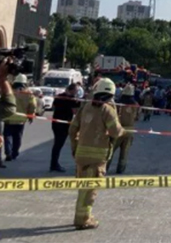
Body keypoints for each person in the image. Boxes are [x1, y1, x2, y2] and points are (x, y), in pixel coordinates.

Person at [69, 78, 124, 230]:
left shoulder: (85, 107)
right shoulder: (108, 109)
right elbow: (115, 132)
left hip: (81, 155)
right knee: (90, 189)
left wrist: (74, 148)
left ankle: (81, 216)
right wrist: (122, 129)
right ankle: (83, 219)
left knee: (82, 187)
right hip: (97, 157)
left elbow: (73, 129)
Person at [3, 75, 36, 162]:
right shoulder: (28, 93)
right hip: (21, 119)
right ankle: (15, 153)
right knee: (17, 137)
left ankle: (8, 153)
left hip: (8, 118)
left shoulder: (9, 91)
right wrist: (31, 115)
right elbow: (32, 105)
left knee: (7, 137)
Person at [50, 84, 80, 172]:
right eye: (76, 90)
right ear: (72, 90)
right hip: (64, 124)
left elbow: (53, 106)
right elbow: (75, 111)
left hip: (55, 123)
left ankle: (54, 163)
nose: (77, 92)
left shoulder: (59, 97)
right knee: (58, 144)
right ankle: (54, 164)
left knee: (57, 145)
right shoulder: (72, 99)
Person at [109, 84, 139, 174]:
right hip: (130, 130)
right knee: (124, 152)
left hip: (118, 129)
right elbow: (137, 117)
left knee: (111, 150)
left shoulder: (118, 103)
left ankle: (105, 167)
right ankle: (120, 169)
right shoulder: (136, 105)